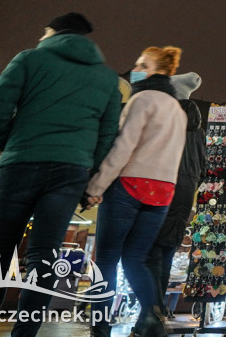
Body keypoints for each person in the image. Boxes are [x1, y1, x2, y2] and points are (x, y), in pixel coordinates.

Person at [0, 13, 121, 337]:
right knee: (45, 256)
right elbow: (108, 134)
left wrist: (11, 144)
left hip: (20, 163)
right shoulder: (107, 80)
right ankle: (25, 333)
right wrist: (86, 168)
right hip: (70, 173)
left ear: (52, 32)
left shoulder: (30, 59)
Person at [84, 47, 187, 337]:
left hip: (129, 185)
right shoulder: (178, 110)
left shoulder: (141, 100)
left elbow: (123, 147)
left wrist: (96, 186)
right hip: (162, 192)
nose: (136, 67)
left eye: (143, 64)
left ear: (159, 71)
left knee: (105, 259)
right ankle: (154, 314)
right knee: (135, 258)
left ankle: (100, 329)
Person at [144, 71, 206, 321]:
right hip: (184, 197)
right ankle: (155, 311)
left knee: (149, 254)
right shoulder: (198, 132)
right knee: (166, 254)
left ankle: (151, 311)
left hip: (161, 191)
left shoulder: (166, 122)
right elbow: (202, 170)